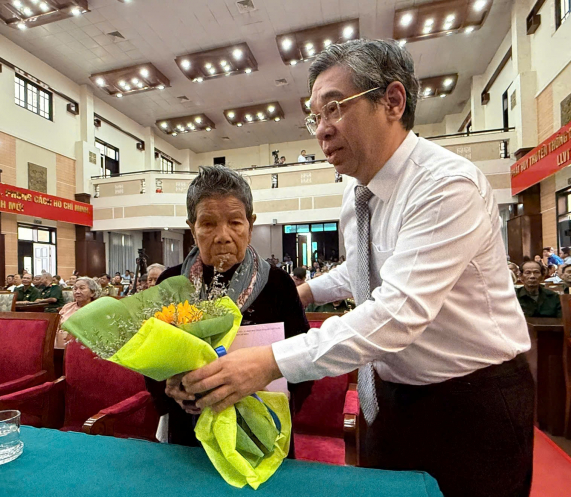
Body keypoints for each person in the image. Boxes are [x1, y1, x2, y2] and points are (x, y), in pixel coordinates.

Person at [175, 40, 533, 497]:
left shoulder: (445, 187)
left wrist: (269, 362)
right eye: (314, 117)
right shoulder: (356, 190)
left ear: (392, 101)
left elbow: (397, 312)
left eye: (334, 109)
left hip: (470, 399)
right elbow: (363, 271)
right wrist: (300, 293)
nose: (321, 131)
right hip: (387, 394)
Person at [153, 165, 310, 448]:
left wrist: (278, 395)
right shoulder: (170, 283)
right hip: (191, 434)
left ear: (250, 225)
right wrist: (170, 389)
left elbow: (304, 359)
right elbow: (151, 363)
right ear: (192, 228)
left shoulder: (278, 284)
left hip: (262, 431)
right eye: (208, 224)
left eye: (235, 223)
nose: (223, 235)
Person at [57, 276, 102, 347]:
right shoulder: (67, 307)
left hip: (83, 346)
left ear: (92, 293)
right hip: (60, 344)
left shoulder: (97, 309)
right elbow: (57, 326)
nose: (77, 291)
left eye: (82, 288)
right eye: (75, 289)